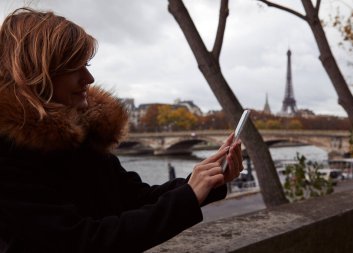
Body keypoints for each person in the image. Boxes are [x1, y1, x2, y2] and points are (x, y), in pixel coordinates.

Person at [0, 8, 243, 253]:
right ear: (38, 73)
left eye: (87, 64)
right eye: (76, 67)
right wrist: (188, 196)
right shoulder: (7, 157)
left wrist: (205, 181)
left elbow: (137, 198)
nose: (90, 77)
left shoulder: (84, 138)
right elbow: (83, 241)